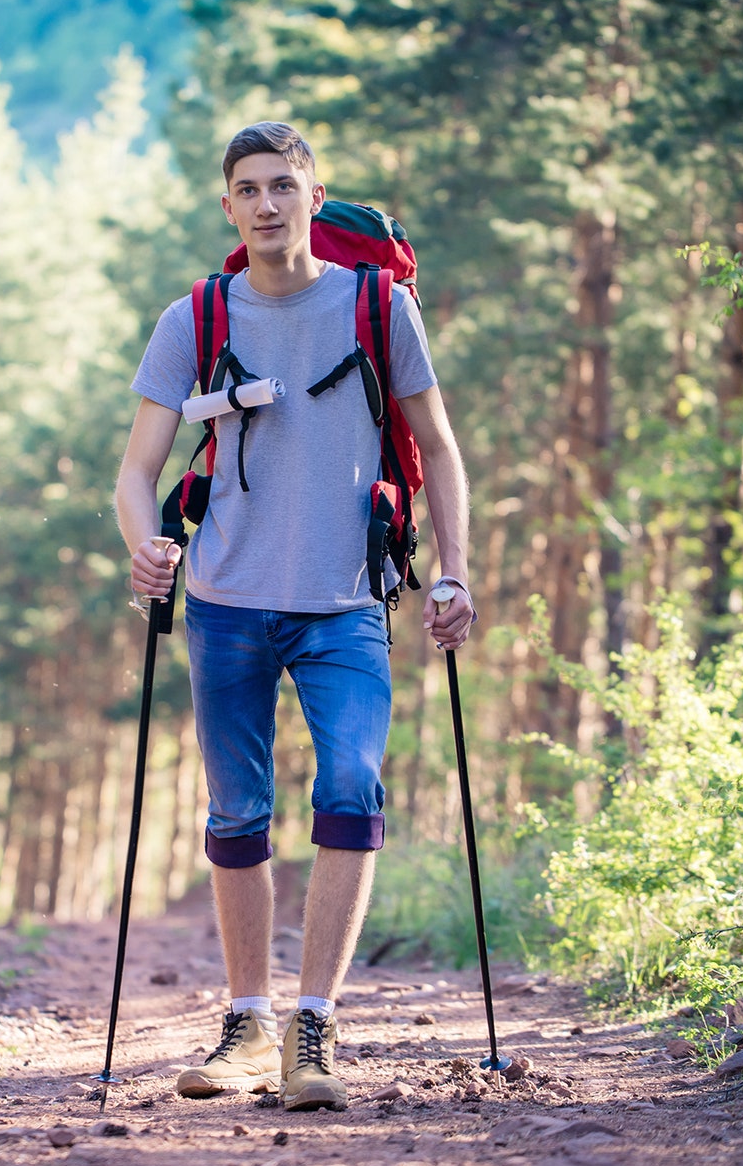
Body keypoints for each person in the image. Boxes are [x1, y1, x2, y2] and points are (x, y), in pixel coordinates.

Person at [113, 122, 475, 1113]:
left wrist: (454, 574)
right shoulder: (191, 317)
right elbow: (137, 472)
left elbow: (437, 450)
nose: (267, 203)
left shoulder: (376, 304)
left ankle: (313, 1024)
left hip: (344, 605)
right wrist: (146, 545)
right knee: (236, 813)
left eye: (284, 185)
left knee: (351, 789)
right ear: (226, 207)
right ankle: (245, 1024)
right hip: (225, 603)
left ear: (313, 196)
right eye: (248, 189)